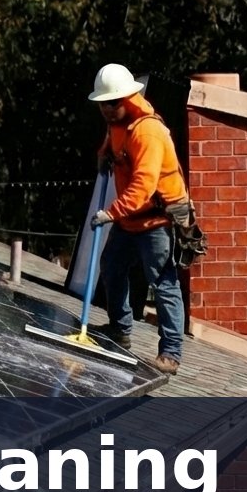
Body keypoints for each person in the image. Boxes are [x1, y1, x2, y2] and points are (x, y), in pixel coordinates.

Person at [87, 63, 188, 375]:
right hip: (131, 219)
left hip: (155, 220)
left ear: (125, 99)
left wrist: (110, 213)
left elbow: (143, 187)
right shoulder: (117, 121)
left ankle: (170, 353)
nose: (104, 109)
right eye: (102, 103)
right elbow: (112, 143)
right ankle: (120, 329)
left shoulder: (148, 132)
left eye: (110, 103)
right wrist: (103, 154)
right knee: (113, 266)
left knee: (163, 282)